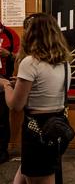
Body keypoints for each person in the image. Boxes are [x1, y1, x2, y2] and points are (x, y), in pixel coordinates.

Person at [0, 14, 70, 184]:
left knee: (38, 175)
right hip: (57, 126)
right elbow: (49, 90)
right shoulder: (65, 62)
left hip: (36, 130)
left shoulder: (30, 63)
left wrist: (6, 86)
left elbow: (16, 105)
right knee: (31, 172)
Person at [0, 21, 20, 164]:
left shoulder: (10, 34)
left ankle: (1, 151)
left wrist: (8, 54)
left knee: (1, 119)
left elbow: (20, 58)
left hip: (3, 82)